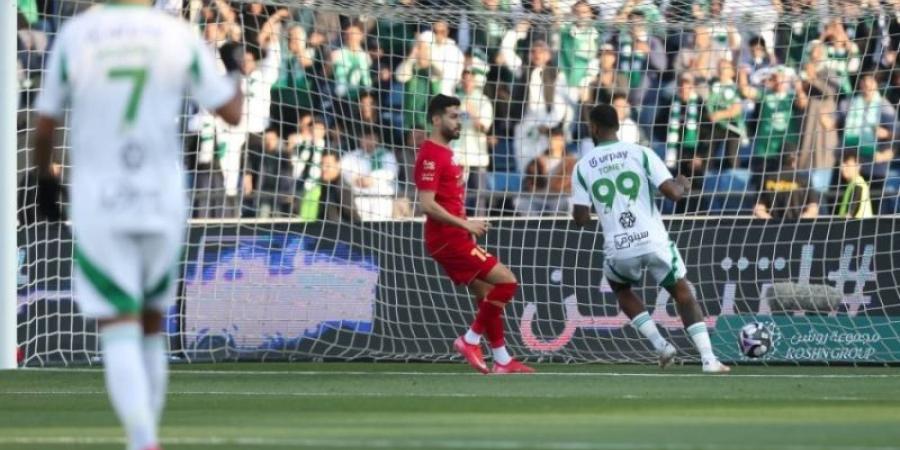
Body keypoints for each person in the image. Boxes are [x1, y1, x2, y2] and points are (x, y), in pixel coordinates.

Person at [32, 1, 243, 449]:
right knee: (151, 324)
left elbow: (45, 122)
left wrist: (44, 178)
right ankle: (147, 439)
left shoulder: (77, 34)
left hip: (101, 198)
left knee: (119, 323)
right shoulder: (176, 35)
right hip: (161, 197)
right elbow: (232, 112)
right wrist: (236, 69)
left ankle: (143, 439)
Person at [570, 104, 730, 374]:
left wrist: (605, 208)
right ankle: (708, 359)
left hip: (620, 245)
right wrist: (683, 183)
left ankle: (660, 345)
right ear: (618, 126)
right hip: (653, 240)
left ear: (593, 127)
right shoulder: (641, 153)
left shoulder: (582, 166)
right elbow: (673, 194)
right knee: (682, 293)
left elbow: (580, 219)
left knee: (621, 289)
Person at [414, 94, 534, 374]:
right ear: (436, 119)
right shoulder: (431, 154)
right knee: (507, 283)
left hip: (455, 236)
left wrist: (464, 226)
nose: (459, 123)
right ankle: (470, 340)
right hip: (447, 238)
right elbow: (427, 204)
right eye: (453, 117)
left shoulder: (445, 153)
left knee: (486, 295)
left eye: (460, 117)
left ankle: (502, 360)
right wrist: (465, 225)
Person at [837, 152, 874, 219]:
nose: (843, 168)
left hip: (859, 224)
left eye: (847, 165)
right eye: (842, 165)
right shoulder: (852, 183)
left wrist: (850, 214)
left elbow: (857, 194)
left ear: (858, 166)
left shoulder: (858, 181)